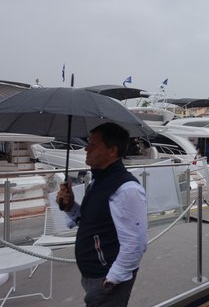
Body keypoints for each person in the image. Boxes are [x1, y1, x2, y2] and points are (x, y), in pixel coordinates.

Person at [57, 122, 148, 307]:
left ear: (112, 151)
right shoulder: (98, 181)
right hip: (93, 273)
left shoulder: (127, 189)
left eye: (93, 144)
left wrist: (111, 281)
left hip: (107, 277)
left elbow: (136, 243)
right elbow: (90, 221)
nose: (86, 148)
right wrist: (69, 206)